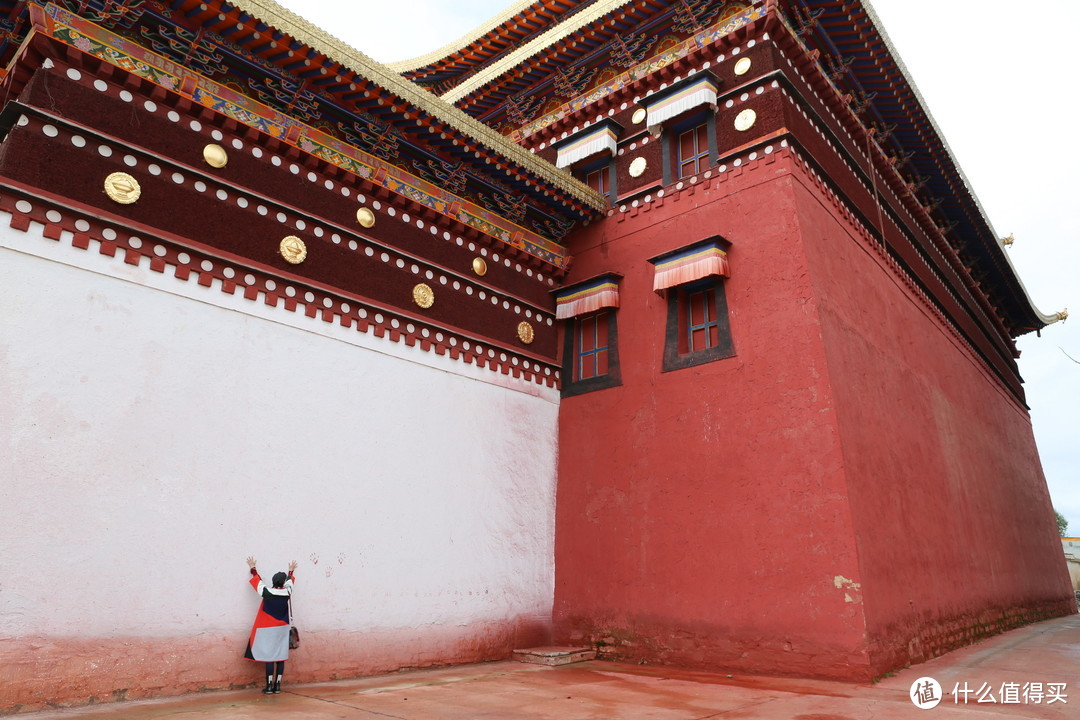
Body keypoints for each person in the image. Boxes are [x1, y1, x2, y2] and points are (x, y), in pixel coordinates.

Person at [244, 556, 298, 694]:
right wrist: (291, 571)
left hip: (267, 629)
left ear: (273, 581)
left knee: (269, 657)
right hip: (282, 629)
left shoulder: (267, 592)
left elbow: (258, 583)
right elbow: (290, 582)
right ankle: (278, 686)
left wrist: (253, 568)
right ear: (283, 583)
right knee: (280, 657)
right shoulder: (287, 592)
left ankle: (268, 687)